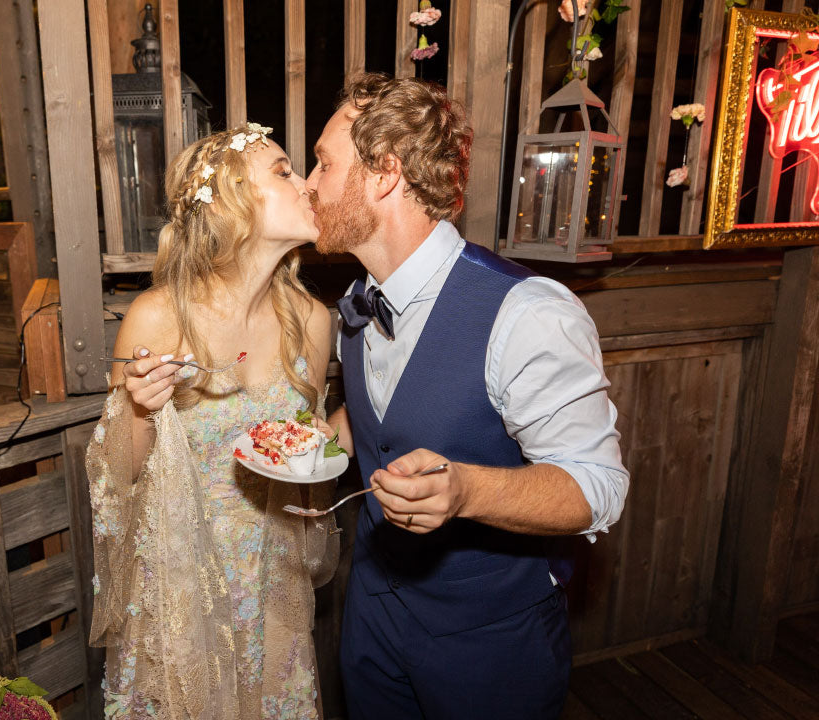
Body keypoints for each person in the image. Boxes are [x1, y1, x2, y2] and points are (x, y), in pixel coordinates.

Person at [307, 73, 629, 719]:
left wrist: (467, 492)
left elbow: (597, 488)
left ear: (384, 174)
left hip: (488, 639)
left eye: (322, 162)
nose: (309, 186)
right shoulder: (356, 302)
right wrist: (323, 435)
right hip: (371, 612)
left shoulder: (527, 313)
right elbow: (390, 409)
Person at [86, 122, 339, 719]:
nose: (306, 185)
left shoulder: (313, 321)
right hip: (182, 588)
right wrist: (140, 410)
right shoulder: (156, 316)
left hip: (273, 579)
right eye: (283, 171)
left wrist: (317, 449)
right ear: (231, 200)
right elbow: (117, 476)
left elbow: (304, 461)